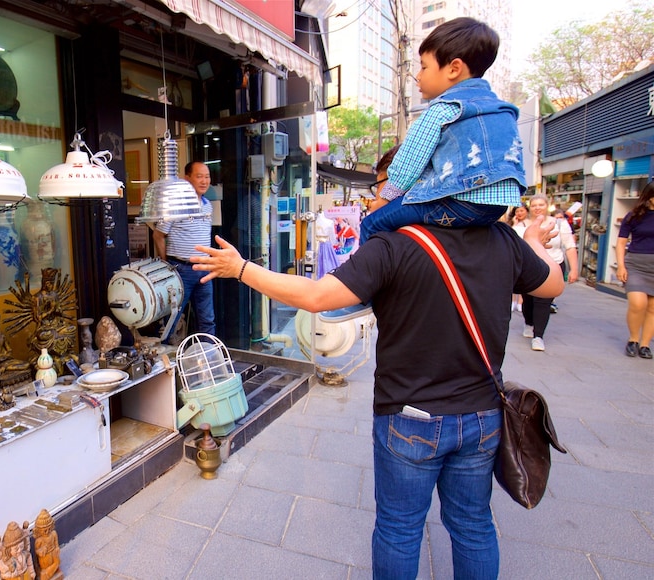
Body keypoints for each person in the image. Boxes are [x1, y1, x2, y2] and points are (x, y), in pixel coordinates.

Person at [191, 184, 563, 578]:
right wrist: (535, 241)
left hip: (410, 416)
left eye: (384, 190)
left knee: (400, 529)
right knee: (473, 525)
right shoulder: (502, 239)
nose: (375, 200)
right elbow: (553, 284)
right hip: (482, 415)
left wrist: (241, 269)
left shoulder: (393, 245)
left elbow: (317, 296)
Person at [359, 17, 524, 243]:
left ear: (454, 68)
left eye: (424, 66)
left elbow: (409, 161)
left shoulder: (445, 109)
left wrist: (385, 199)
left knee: (373, 223)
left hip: (456, 201)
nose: (418, 75)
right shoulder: (504, 111)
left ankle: (368, 275)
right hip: (497, 207)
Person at [152, 160, 215, 339]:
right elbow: (158, 235)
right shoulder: (175, 204)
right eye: (199, 176)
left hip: (204, 269)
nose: (204, 181)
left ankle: (208, 358)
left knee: (207, 320)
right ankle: (167, 363)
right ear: (187, 179)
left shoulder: (207, 205)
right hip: (180, 270)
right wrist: (167, 266)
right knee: (171, 319)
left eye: (207, 176)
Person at [521, 193, 577, 351]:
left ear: (547, 206)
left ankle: (538, 336)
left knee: (543, 301)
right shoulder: (522, 224)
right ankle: (529, 323)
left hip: (553, 265)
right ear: (529, 207)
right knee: (528, 300)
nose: (537, 208)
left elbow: (570, 246)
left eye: (541, 204)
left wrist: (574, 269)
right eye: (534, 205)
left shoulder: (559, 224)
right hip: (529, 267)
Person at [616, 181, 654, 359]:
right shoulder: (634, 216)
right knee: (638, 303)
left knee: (653, 308)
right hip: (637, 264)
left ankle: (645, 344)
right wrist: (621, 266)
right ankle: (633, 339)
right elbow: (621, 242)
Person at [509, 205, 531, 311]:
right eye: (517, 211)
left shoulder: (530, 223)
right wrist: (514, 223)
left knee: (524, 277)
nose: (519, 213)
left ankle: (521, 301)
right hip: (513, 253)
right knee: (513, 277)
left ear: (526, 211)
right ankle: (513, 300)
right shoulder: (511, 224)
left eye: (521, 211)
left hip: (526, 253)